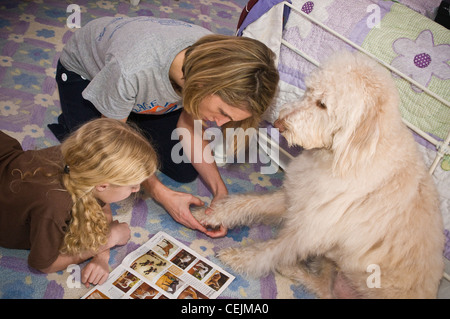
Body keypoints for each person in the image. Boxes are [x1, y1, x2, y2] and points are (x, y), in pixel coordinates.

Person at [47, 17, 279, 237]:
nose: (218, 124)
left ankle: (127, 111)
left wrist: (221, 192)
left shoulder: (208, 65)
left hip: (138, 85)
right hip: (84, 75)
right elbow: (112, 145)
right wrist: (162, 195)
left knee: (184, 169)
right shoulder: (131, 69)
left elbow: (188, 127)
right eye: (222, 113)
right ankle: (86, 116)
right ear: (202, 85)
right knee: (98, 165)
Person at [0, 118, 158, 287]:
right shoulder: (54, 208)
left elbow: (102, 202)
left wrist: (101, 256)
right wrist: (107, 240)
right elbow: (44, 264)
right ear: (102, 185)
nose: (136, 189)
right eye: (132, 185)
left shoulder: (79, 160)